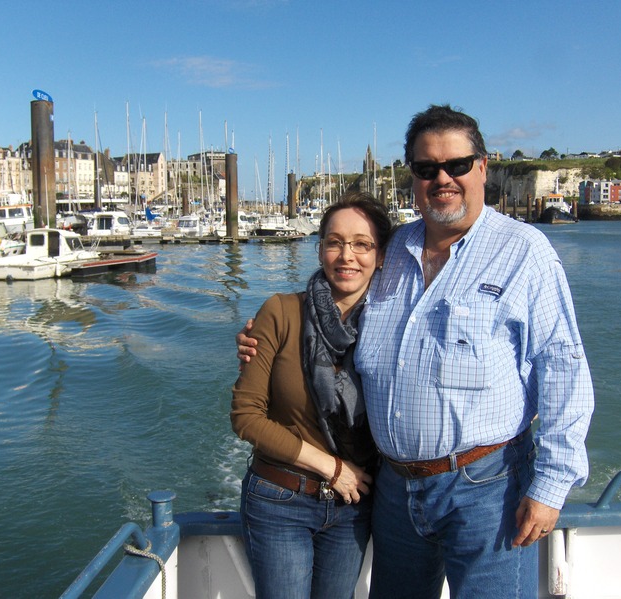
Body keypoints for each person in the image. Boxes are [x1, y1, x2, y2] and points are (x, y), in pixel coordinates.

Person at [238, 104, 594, 598]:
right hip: (394, 493)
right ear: (413, 177)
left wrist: (550, 488)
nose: (442, 178)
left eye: (457, 165)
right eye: (427, 169)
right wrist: (267, 335)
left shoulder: (525, 252)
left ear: (483, 167)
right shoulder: (393, 255)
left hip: (486, 487)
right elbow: (334, 312)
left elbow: (564, 369)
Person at [230, 190, 393, 599]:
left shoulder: (393, 328)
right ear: (320, 250)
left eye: (361, 244)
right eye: (335, 242)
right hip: (280, 498)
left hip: (353, 507)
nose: (346, 256)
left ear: (381, 256)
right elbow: (246, 416)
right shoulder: (280, 312)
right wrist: (332, 468)